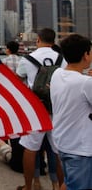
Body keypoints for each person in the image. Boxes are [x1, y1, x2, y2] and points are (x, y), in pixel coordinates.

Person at [15, 28, 64, 190]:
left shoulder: (27, 59)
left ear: (38, 40)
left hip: (35, 109)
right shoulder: (61, 59)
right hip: (56, 109)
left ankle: (29, 186)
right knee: (57, 151)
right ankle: (58, 185)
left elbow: (18, 79)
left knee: (30, 149)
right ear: (53, 41)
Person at [51, 33, 92, 190]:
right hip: (80, 149)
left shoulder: (57, 74)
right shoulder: (85, 83)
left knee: (69, 183)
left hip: (63, 142)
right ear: (85, 55)